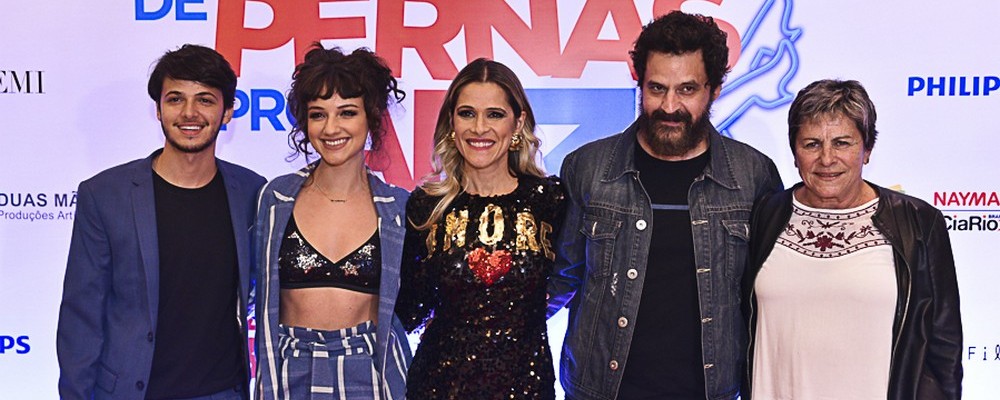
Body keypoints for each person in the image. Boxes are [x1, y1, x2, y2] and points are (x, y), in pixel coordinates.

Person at [547, 11, 783, 400]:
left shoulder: (753, 175)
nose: (669, 106)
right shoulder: (587, 168)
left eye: (687, 90)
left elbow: (771, 295)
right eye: (657, 88)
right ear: (639, 83)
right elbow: (559, 279)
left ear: (714, 89)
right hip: (600, 391)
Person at [56, 44, 265, 400]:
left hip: (223, 391)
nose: (189, 113)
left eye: (205, 100)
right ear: (158, 110)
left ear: (228, 111)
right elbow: (81, 317)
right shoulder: (105, 195)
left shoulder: (252, 192)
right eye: (175, 99)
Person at [742, 79, 963, 400]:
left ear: (867, 149)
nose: (827, 159)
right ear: (794, 153)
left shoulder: (917, 223)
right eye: (811, 144)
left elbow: (944, 347)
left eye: (842, 143)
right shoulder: (765, 215)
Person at [394, 58, 565, 399]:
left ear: (518, 123)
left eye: (495, 114)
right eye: (467, 113)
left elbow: (576, 283)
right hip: (438, 388)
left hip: (527, 389)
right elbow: (408, 310)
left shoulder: (551, 200)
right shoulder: (426, 207)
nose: (479, 128)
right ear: (451, 123)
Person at [253, 44, 411, 400]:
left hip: (371, 375)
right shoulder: (275, 199)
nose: (331, 128)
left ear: (371, 117)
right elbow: (256, 299)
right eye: (318, 115)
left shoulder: (399, 208)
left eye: (347, 113)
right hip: (290, 372)